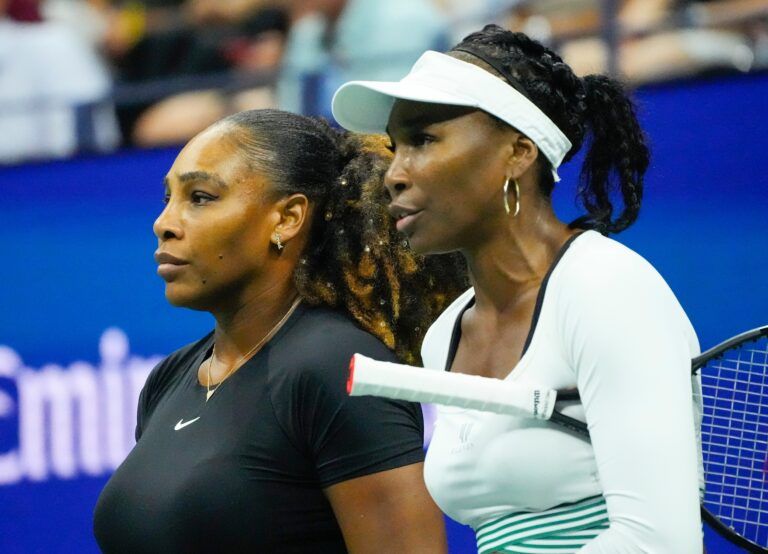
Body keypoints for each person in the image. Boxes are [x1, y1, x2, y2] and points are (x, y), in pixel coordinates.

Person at [332, 24, 703, 552]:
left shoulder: (605, 288)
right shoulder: (445, 335)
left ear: (518, 152)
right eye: (395, 148)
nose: (393, 173)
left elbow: (659, 542)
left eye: (423, 140)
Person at [93, 109, 467, 553]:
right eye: (167, 198)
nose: (164, 223)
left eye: (200, 197)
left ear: (287, 218)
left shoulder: (339, 367)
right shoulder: (169, 378)